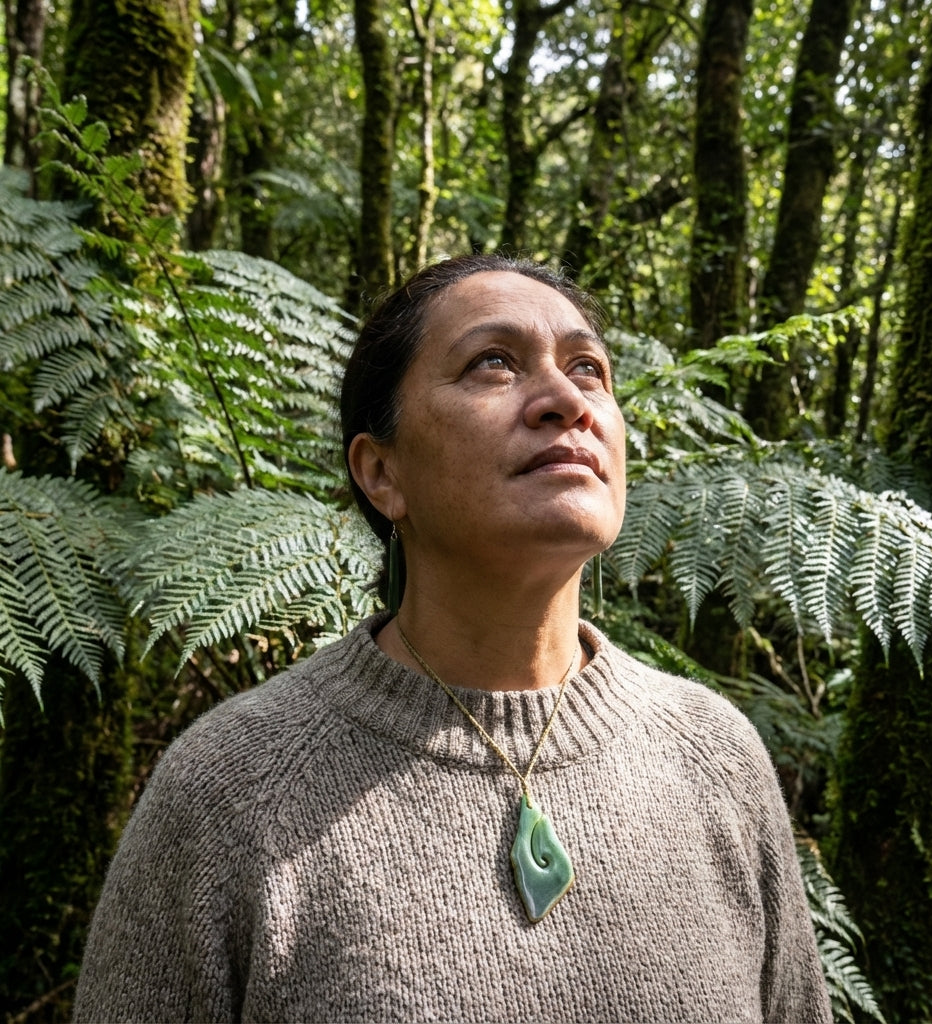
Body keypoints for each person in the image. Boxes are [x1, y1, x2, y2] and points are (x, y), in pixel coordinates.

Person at [74, 253, 831, 1022]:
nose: (567, 400)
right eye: (492, 363)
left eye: (590, 369)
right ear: (381, 473)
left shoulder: (714, 756)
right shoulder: (231, 792)